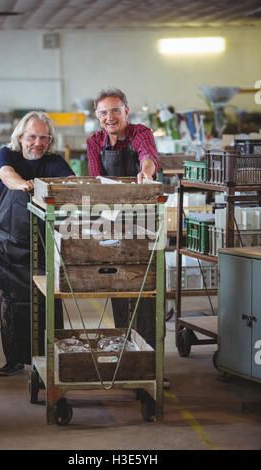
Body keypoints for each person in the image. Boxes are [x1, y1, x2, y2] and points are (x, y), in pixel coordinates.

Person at [87, 88, 169, 388]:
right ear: (97, 116)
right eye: (103, 112)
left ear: (126, 111)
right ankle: (127, 356)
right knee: (118, 287)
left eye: (115, 110)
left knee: (147, 289)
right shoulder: (94, 141)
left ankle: (154, 362)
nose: (110, 117)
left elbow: (148, 156)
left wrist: (145, 173)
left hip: (143, 222)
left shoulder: (140, 132)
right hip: (111, 224)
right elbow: (97, 179)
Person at [0, 111, 74, 376]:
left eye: (44, 137)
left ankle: (50, 354)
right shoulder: (8, 154)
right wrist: (24, 185)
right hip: (9, 240)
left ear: (50, 140)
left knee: (48, 297)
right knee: (12, 299)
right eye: (32, 136)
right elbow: (6, 175)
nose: (37, 142)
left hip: (44, 237)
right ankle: (14, 358)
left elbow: (72, 183)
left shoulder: (54, 161)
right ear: (21, 137)